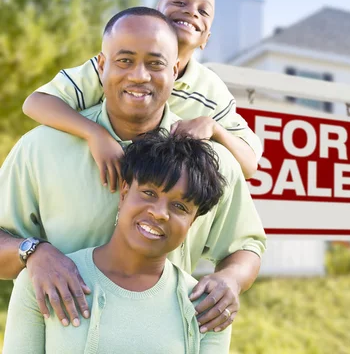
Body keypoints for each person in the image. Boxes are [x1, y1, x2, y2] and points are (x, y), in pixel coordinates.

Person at [0, 7, 266, 334]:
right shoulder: (40, 148)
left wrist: (230, 280)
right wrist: (33, 253)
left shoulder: (212, 162)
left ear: (176, 69)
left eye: (155, 64)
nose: (139, 76)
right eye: (125, 60)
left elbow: (246, 246)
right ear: (101, 65)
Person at [3, 130, 232, 353]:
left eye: (180, 207)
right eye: (149, 193)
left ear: (192, 222)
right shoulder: (45, 280)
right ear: (123, 194)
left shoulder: (207, 307)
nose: (160, 213)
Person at [22, 0, 261, 184]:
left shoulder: (211, 90)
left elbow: (249, 165)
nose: (191, 11)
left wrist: (214, 127)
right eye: (179, 2)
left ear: (206, 38)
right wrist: (95, 134)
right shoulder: (116, 67)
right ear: (155, 14)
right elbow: (36, 103)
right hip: (94, 178)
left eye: (203, 11)